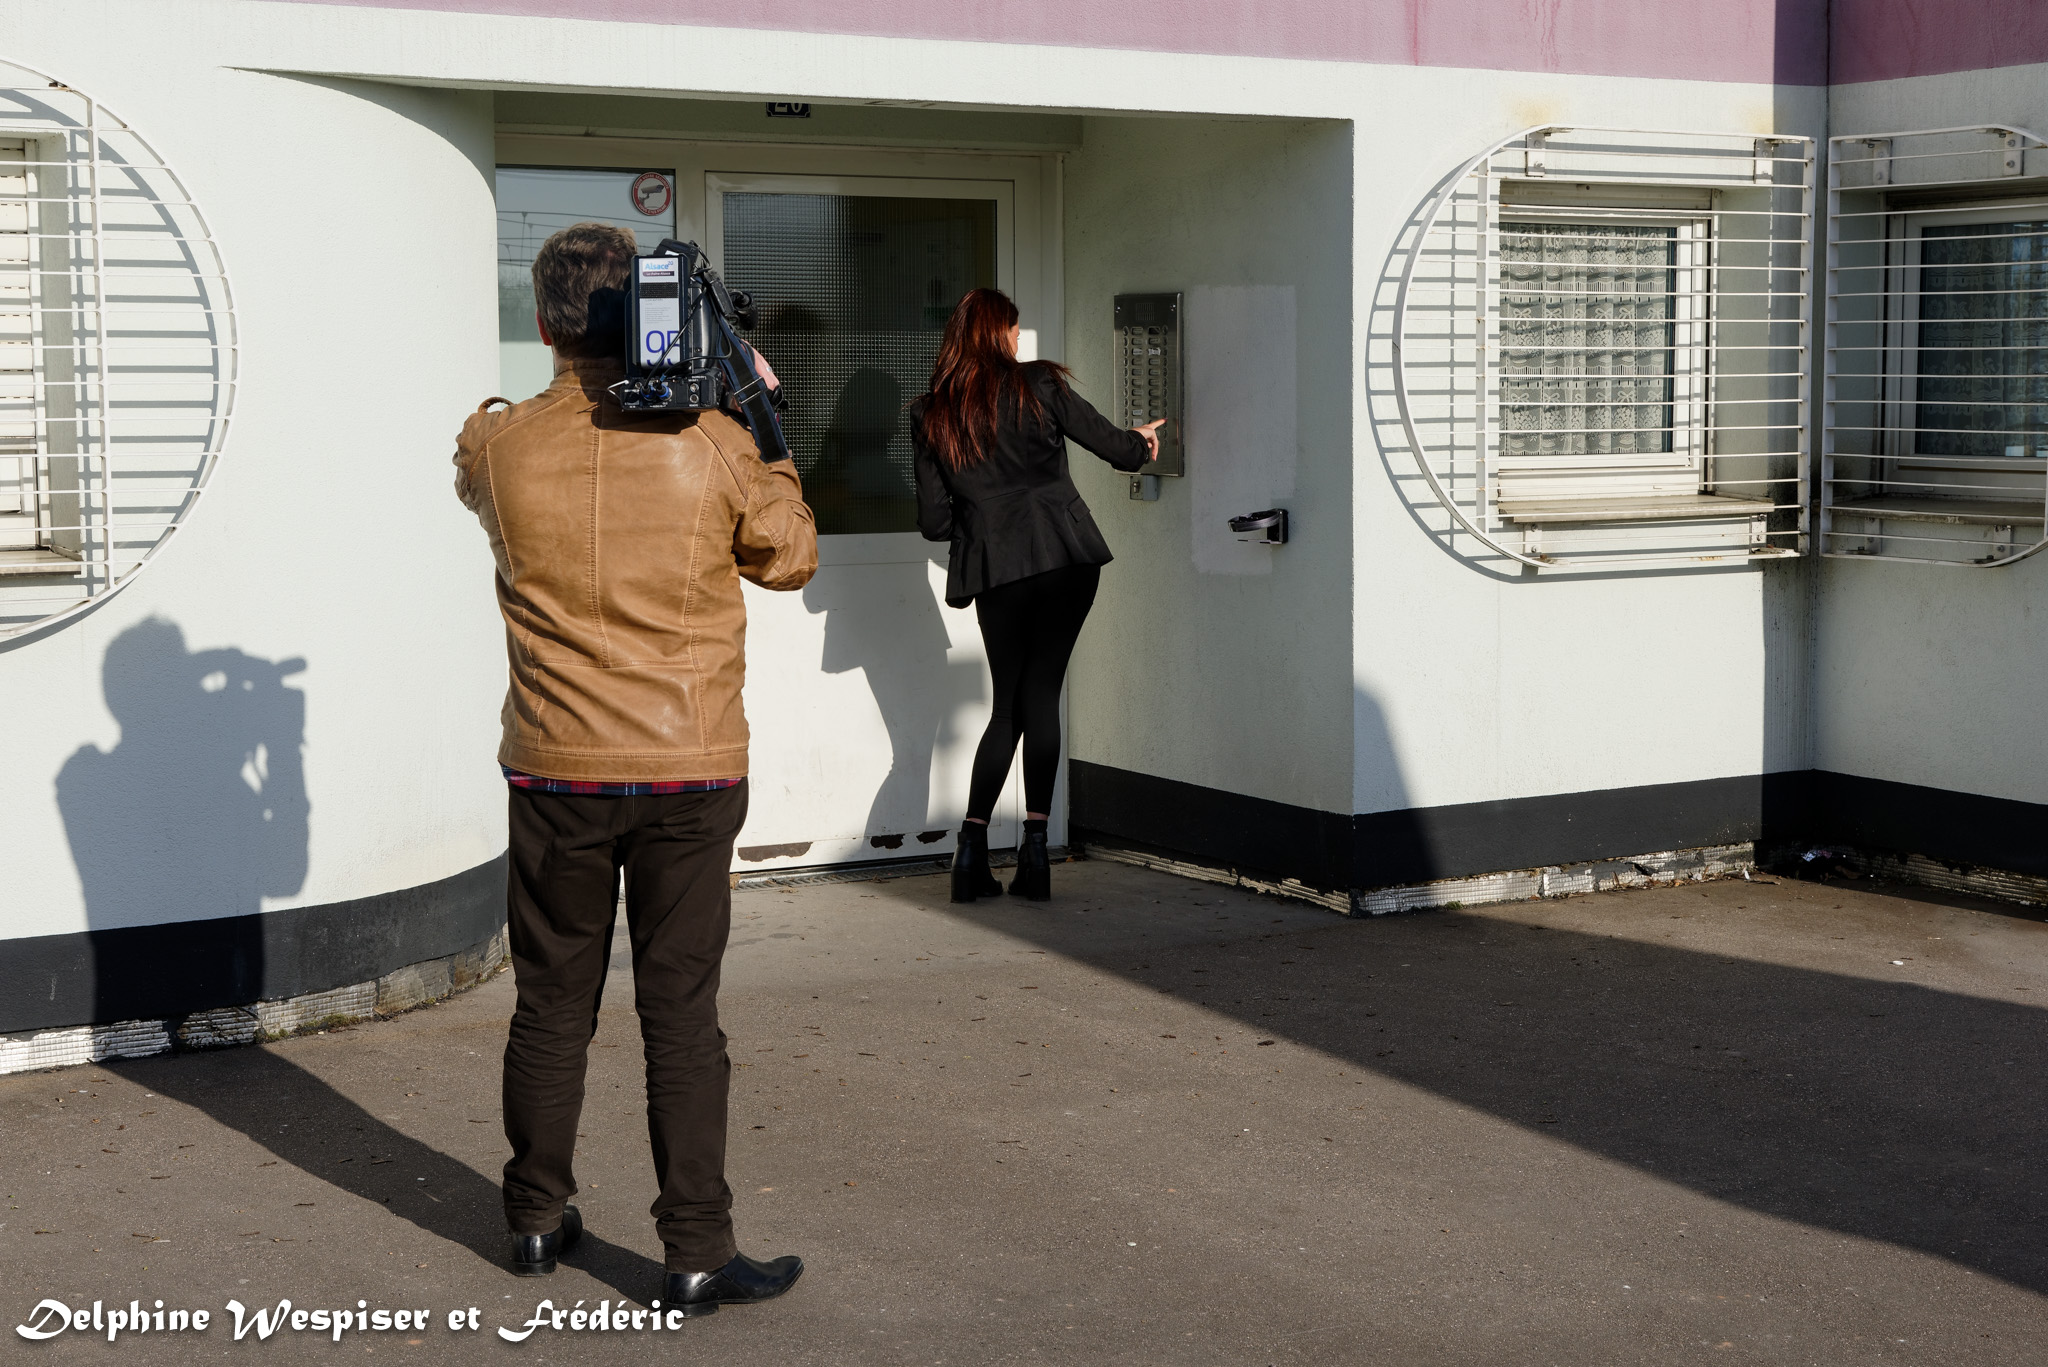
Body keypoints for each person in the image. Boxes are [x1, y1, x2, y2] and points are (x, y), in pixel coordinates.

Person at [452, 221, 817, 1315]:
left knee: (549, 1002)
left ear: (543, 323)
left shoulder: (497, 444)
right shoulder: (714, 439)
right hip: (688, 774)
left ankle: (531, 1216)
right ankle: (696, 1249)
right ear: (663, 317)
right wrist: (759, 413)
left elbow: (476, 469)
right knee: (679, 1010)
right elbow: (790, 556)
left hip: (555, 768)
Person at [910, 288, 1162, 903]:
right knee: (1042, 695)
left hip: (997, 566)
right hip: (1065, 555)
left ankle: (969, 853)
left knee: (1008, 707)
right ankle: (1034, 854)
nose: (1019, 340)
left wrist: (982, 514)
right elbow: (1119, 451)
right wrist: (1145, 441)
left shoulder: (930, 412)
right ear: (998, 334)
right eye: (1015, 330)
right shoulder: (1039, 386)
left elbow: (934, 523)